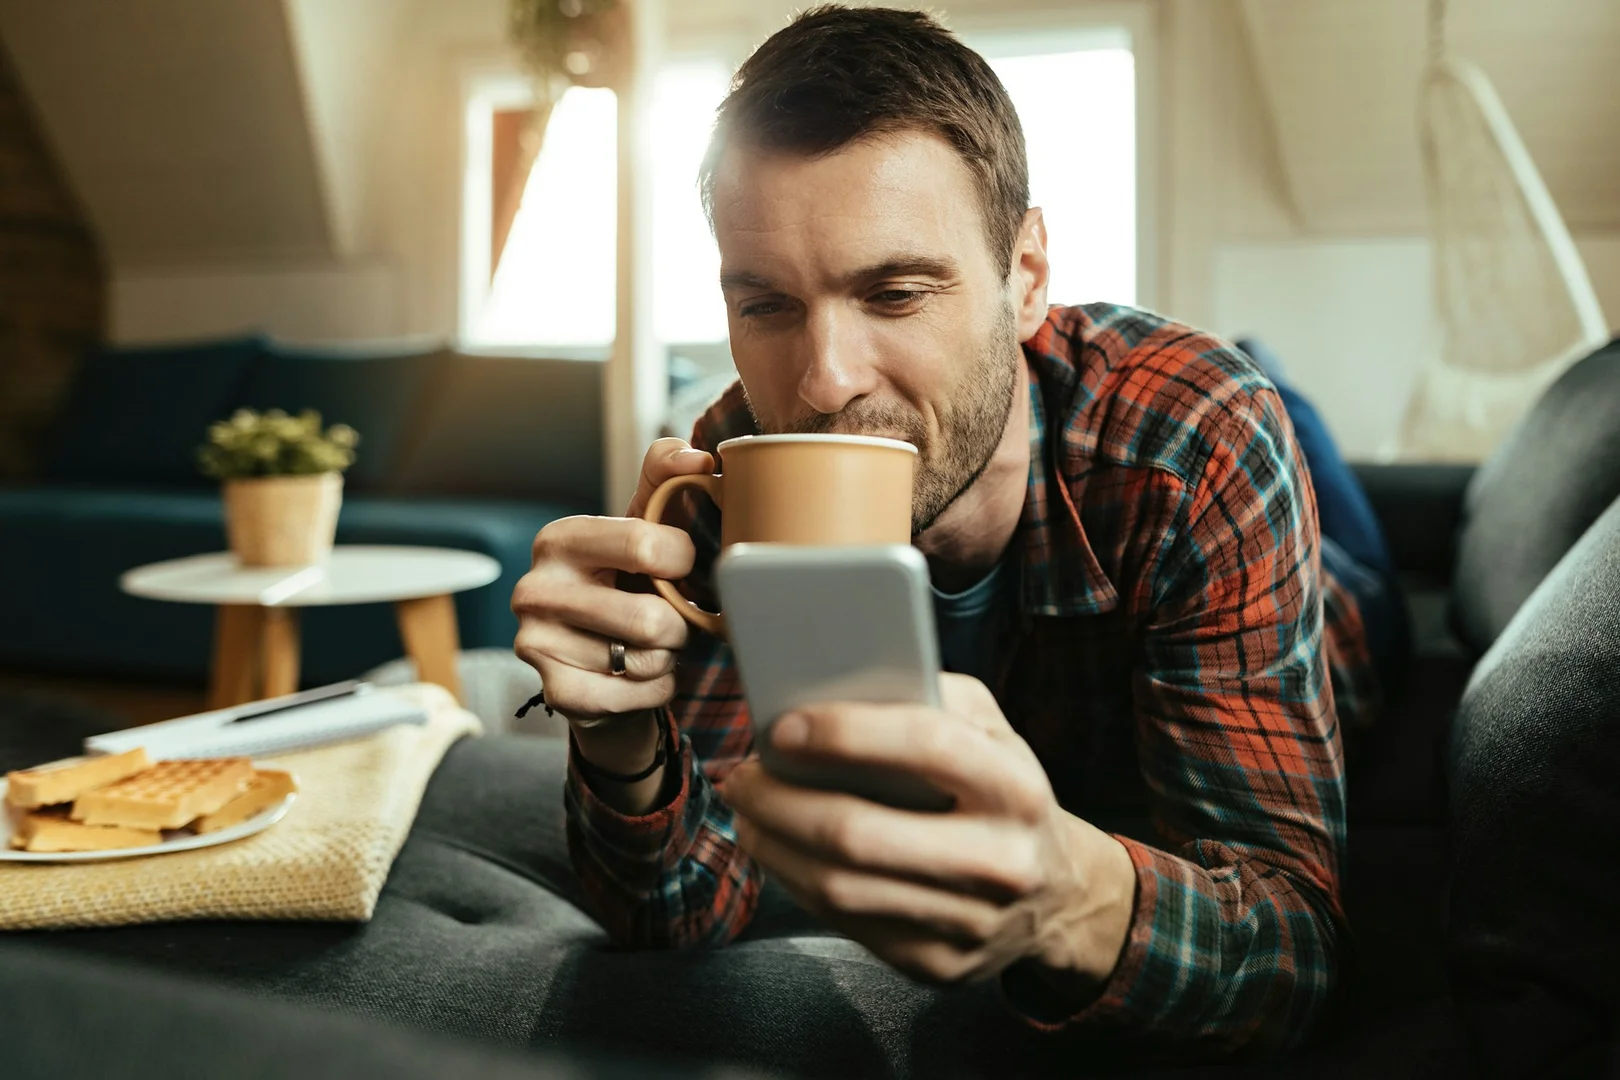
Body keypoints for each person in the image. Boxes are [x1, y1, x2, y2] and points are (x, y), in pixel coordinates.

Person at [512, 4, 1389, 1059]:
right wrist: (619, 741)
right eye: (769, 307)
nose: (824, 384)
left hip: (1321, 582)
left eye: (894, 293)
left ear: (1025, 278)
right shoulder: (731, 459)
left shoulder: (1197, 441)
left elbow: (1293, 958)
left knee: (1300, 459)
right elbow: (684, 910)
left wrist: (1070, 900)